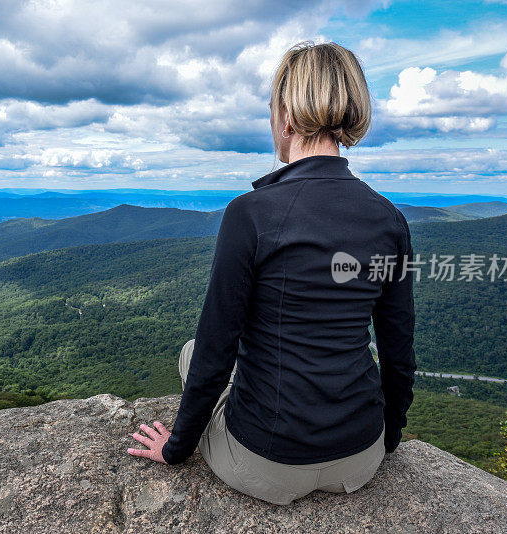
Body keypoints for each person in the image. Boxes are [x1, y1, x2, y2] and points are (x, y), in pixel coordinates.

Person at [127, 40, 416, 506]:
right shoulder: (389, 219)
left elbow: (215, 351)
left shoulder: (250, 214)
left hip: (268, 462)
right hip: (361, 457)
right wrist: (388, 441)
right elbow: (398, 352)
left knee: (191, 351)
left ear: (286, 116)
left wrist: (176, 448)